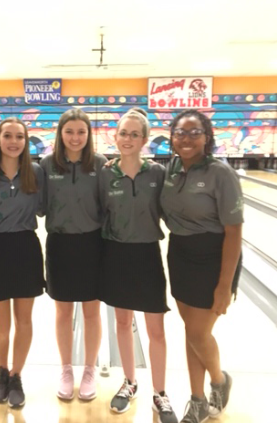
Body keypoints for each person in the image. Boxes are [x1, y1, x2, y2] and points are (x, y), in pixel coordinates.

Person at [160, 110, 243, 423]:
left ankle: (219, 381)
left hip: (214, 256)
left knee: (198, 331)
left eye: (195, 132)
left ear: (207, 137)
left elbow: (234, 231)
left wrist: (225, 285)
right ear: (172, 136)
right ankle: (197, 399)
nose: (186, 138)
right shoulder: (169, 170)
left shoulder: (220, 174)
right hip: (180, 254)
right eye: (180, 132)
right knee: (191, 331)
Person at [99, 110, 177, 423]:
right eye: (123, 133)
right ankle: (129, 382)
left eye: (134, 134)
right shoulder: (105, 173)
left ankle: (160, 393)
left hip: (147, 254)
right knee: (122, 323)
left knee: (155, 329)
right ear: (114, 137)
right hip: (116, 253)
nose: (128, 139)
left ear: (144, 140)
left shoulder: (157, 173)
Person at [0, 117, 45, 409]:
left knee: (24, 320)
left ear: (26, 141)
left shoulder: (37, 174)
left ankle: (17, 375)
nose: (14, 142)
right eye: (8, 136)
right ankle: (1, 371)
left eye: (19, 137)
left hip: (25, 247)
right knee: (0, 326)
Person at [39, 109, 107, 401]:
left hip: (93, 243)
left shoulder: (101, 164)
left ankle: (89, 370)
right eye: (70, 132)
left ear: (89, 135)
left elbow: (108, 206)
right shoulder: (45, 165)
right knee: (63, 312)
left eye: (81, 132)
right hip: (59, 244)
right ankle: (66, 369)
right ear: (60, 134)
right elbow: (40, 207)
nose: (76, 137)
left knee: (92, 311)